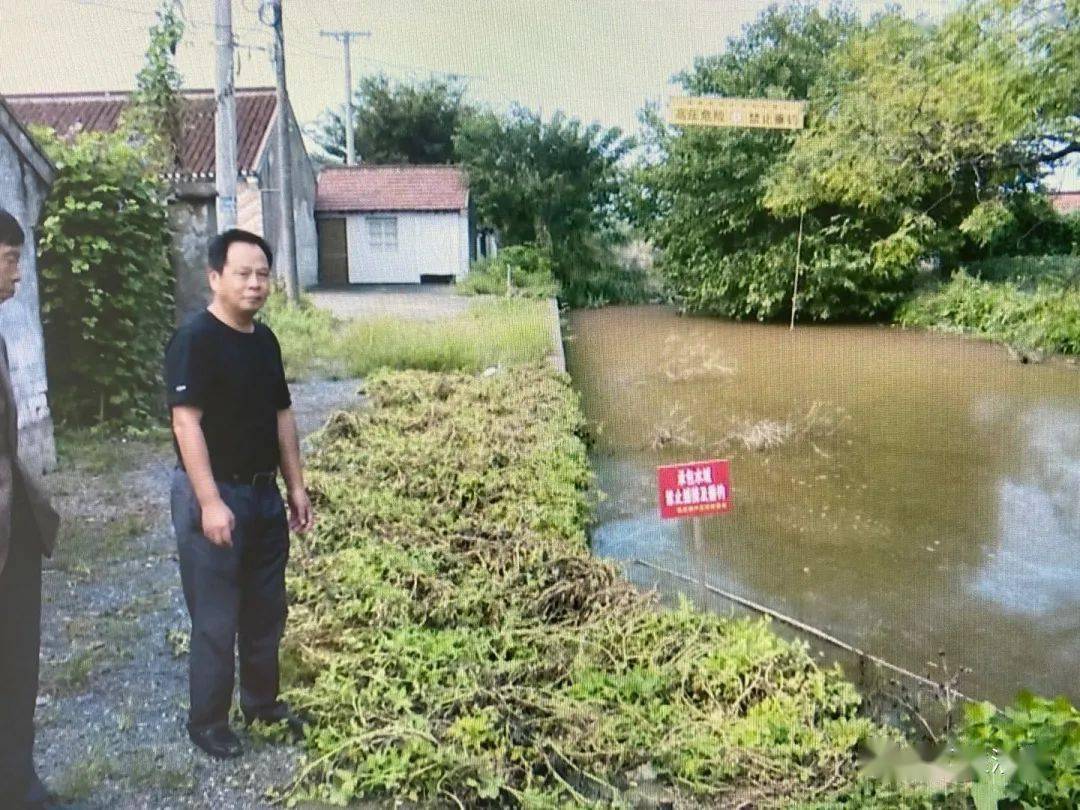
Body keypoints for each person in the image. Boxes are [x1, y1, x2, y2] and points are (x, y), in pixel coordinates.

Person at [165, 228, 314, 760]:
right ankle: (207, 721)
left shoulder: (265, 341)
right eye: (243, 274)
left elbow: (282, 415)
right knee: (215, 615)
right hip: (215, 494)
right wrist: (209, 503)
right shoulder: (195, 340)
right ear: (215, 277)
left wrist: (295, 486)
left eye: (263, 274)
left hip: (263, 496)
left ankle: (262, 702)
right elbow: (187, 425)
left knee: (266, 609)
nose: (255, 284)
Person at [0, 207, 61, 809]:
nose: (18, 270)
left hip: (13, 522)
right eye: (11, 257)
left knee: (18, 657)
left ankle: (16, 781)